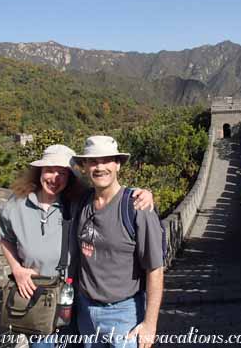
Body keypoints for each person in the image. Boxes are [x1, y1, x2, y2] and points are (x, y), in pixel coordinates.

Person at [0, 144, 154, 348]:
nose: (55, 178)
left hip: (72, 300)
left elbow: (109, 192)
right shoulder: (16, 205)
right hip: (35, 300)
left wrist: (141, 194)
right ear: (39, 171)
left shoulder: (76, 203)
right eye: (50, 170)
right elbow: (6, 238)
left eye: (63, 173)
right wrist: (16, 269)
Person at [73, 136, 164, 348]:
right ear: (85, 166)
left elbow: (155, 269)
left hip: (125, 315)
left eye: (107, 160)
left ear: (118, 165)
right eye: (93, 161)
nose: (100, 167)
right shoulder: (81, 203)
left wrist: (150, 325)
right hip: (86, 314)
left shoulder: (137, 207)